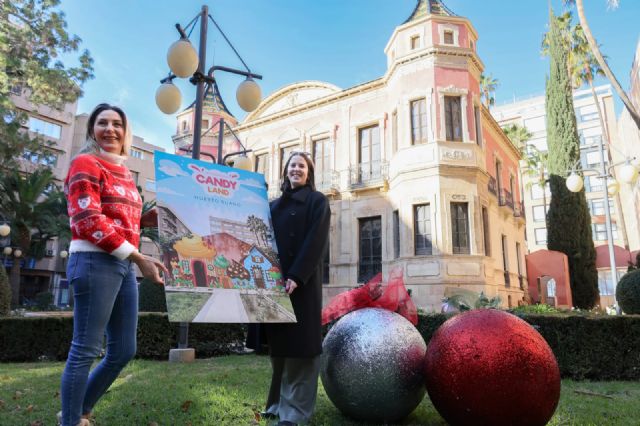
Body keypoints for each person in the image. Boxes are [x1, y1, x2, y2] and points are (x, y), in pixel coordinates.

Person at [59, 103, 167, 426]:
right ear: (93, 129)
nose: (110, 129)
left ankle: (78, 411)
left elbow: (120, 217)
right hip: (93, 260)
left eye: (117, 124)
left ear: (125, 132)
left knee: (123, 350)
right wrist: (139, 257)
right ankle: (71, 421)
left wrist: (146, 219)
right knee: (85, 349)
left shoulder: (122, 170)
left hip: (121, 264)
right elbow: (88, 218)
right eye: (102, 123)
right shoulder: (85, 163)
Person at [263, 152, 331, 426]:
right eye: (292, 165)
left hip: (301, 284)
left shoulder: (318, 201)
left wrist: (297, 275)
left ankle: (295, 414)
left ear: (309, 172)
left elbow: (317, 242)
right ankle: (277, 403)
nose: (296, 169)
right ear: (285, 171)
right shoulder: (273, 205)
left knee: (301, 349)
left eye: (302, 165)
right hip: (274, 283)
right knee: (279, 347)